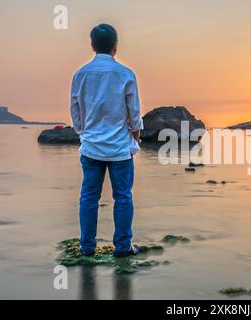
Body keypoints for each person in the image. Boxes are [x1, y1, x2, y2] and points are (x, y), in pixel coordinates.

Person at [70, 23, 143, 257]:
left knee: (89, 197)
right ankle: (123, 246)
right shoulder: (125, 74)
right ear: (115, 45)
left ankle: (87, 247)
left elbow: (75, 108)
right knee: (122, 197)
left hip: (91, 147)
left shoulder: (80, 74)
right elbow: (134, 112)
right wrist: (136, 136)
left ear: (92, 45)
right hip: (120, 148)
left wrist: (83, 132)